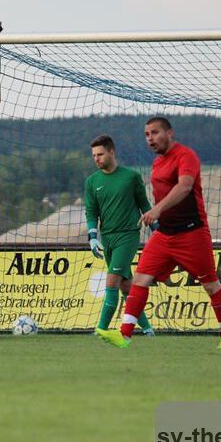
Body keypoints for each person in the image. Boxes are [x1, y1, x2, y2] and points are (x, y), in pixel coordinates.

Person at [98, 117, 221, 349]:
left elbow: (184, 186)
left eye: (154, 133)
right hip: (165, 235)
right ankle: (124, 335)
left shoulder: (186, 156)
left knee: (211, 285)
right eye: (146, 134)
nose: (150, 138)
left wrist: (156, 210)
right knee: (140, 279)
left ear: (170, 133)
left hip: (192, 233)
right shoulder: (157, 162)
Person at [85, 134, 155, 337]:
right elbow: (91, 211)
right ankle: (148, 329)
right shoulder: (92, 181)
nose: (96, 159)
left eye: (100, 154)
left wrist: (156, 230)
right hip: (107, 238)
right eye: (94, 155)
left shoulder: (131, 177)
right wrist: (92, 236)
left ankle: (101, 329)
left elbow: (144, 205)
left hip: (128, 236)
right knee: (126, 286)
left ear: (111, 152)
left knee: (112, 280)